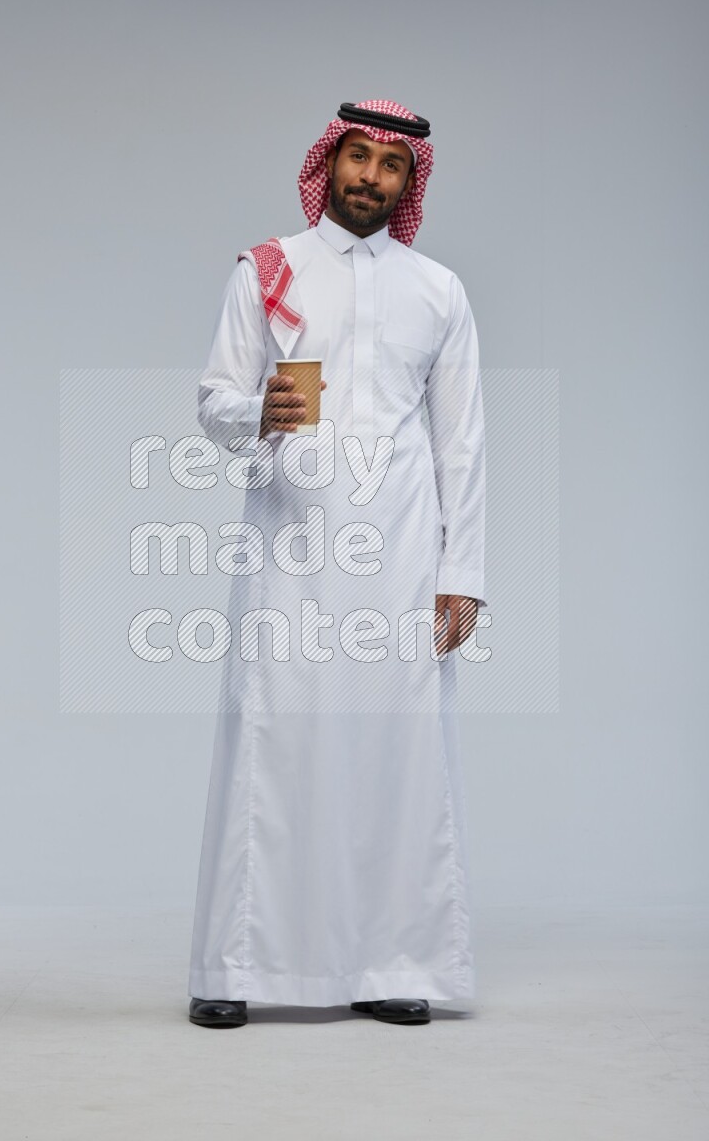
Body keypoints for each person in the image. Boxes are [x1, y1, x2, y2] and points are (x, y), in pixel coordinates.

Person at [187, 100, 487, 1028]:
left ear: (409, 182)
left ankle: (392, 962)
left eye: (389, 166)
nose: (369, 177)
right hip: (290, 542)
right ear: (331, 163)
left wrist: (462, 573)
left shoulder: (439, 290)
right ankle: (234, 965)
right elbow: (213, 398)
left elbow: (463, 443)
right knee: (272, 746)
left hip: (400, 550)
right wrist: (255, 414)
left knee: (395, 750)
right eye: (356, 158)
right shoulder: (270, 269)